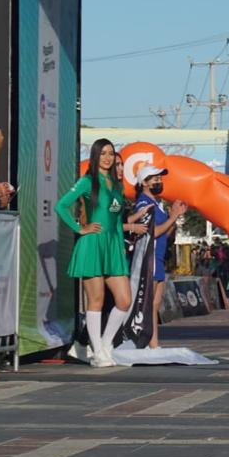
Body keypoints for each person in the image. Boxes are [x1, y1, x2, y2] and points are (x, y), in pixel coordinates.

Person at [56, 139, 146, 367]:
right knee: (95, 300)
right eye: (103, 153)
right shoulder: (87, 181)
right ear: (95, 156)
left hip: (113, 246)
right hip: (93, 244)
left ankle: (106, 345)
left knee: (124, 300)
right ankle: (97, 352)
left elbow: (116, 220)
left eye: (111, 153)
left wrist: (120, 244)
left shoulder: (116, 185)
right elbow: (61, 206)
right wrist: (79, 228)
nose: (107, 158)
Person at [133, 164, 188, 349]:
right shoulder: (144, 204)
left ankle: (154, 343)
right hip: (150, 256)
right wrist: (172, 218)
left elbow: (167, 233)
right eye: (155, 179)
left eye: (160, 178)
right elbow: (152, 233)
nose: (159, 181)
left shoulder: (157, 204)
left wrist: (175, 216)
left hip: (159, 257)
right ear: (144, 183)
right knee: (148, 304)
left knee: (155, 304)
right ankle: (147, 342)